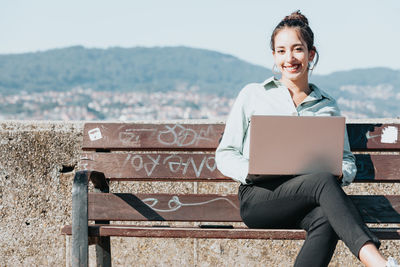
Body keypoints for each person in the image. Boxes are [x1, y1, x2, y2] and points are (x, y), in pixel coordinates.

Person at [215, 10, 399, 267]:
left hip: (309, 198)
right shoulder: (253, 95)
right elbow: (225, 153)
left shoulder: (327, 105)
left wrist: (338, 174)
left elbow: (347, 161)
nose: (289, 58)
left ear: (311, 54)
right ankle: (378, 263)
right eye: (281, 51)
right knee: (321, 183)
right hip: (260, 198)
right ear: (274, 56)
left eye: (297, 49)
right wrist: (253, 169)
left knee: (326, 217)